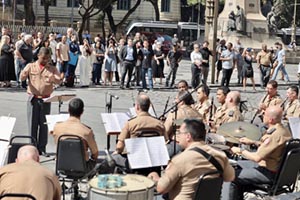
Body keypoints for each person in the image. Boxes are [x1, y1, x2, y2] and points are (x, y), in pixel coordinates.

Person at [148, 119, 235, 200]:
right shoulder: (220, 155)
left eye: (179, 133)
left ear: (188, 136)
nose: (177, 136)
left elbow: (161, 189)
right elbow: (230, 177)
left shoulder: (179, 160)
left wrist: (155, 177)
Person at [223, 106, 292, 200]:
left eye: (265, 114)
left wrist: (240, 150)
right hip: (276, 169)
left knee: (230, 176)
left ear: (271, 119)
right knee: (236, 164)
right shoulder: (285, 131)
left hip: (268, 172)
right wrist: (253, 142)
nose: (262, 115)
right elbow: (274, 147)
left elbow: (257, 158)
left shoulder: (273, 136)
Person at [20, 47, 61, 156]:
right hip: (33, 98)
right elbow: (22, 77)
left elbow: (59, 79)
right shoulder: (30, 66)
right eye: (43, 58)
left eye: (47, 58)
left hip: (46, 99)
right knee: (32, 124)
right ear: (38, 56)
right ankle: (32, 148)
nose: (45, 60)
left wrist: (54, 79)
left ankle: (42, 148)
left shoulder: (52, 68)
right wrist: (23, 75)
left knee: (44, 124)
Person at [51, 98, 99, 171]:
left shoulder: (57, 127)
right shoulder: (87, 131)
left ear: (68, 110)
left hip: (62, 166)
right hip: (82, 168)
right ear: (82, 112)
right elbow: (95, 153)